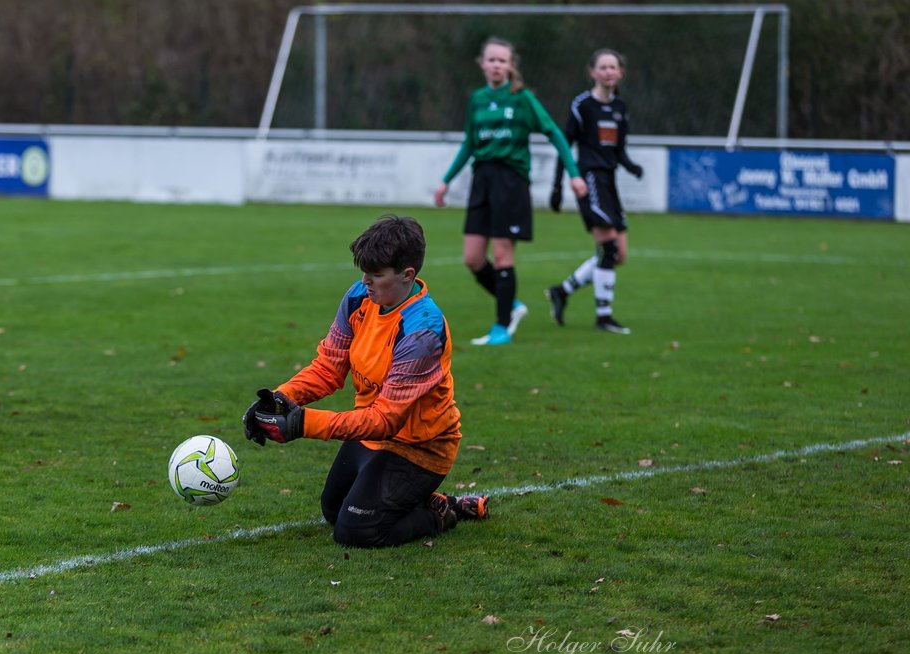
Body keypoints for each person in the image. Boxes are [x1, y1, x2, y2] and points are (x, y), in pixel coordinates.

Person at [242, 215, 487, 548]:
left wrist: (303, 424)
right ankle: (421, 501)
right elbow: (329, 366)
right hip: (369, 433)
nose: (365, 281)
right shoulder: (360, 297)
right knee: (333, 510)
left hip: (419, 447)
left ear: (407, 275)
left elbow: (386, 419)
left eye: (376, 274)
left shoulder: (422, 332)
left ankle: (441, 513)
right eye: (364, 272)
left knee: (357, 530)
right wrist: (280, 398)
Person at [434, 36, 587, 346]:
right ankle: (513, 306)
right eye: (491, 59)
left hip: (511, 181)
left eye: (502, 60)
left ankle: (501, 328)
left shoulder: (522, 99)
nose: (496, 65)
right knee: (473, 258)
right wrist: (446, 180)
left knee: (503, 254)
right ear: (482, 64)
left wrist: (574, 174)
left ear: (510, 65)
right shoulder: (477, 99)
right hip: (482, 180)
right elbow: (469, 144)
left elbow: (554, 132)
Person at [547, 48, 644, 334]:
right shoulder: (582, 105)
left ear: (620, 72)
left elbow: (620, 150)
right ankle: (604, 317)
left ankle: (562, 291)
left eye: (613, 67)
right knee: (609, 247)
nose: (608, 71)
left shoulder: (620, 108)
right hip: (589, 179)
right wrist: (557, 185)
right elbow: (564, 145)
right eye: (603, 67)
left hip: (610, 182)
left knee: (618, 254)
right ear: (593, 72)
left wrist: (630, 166)